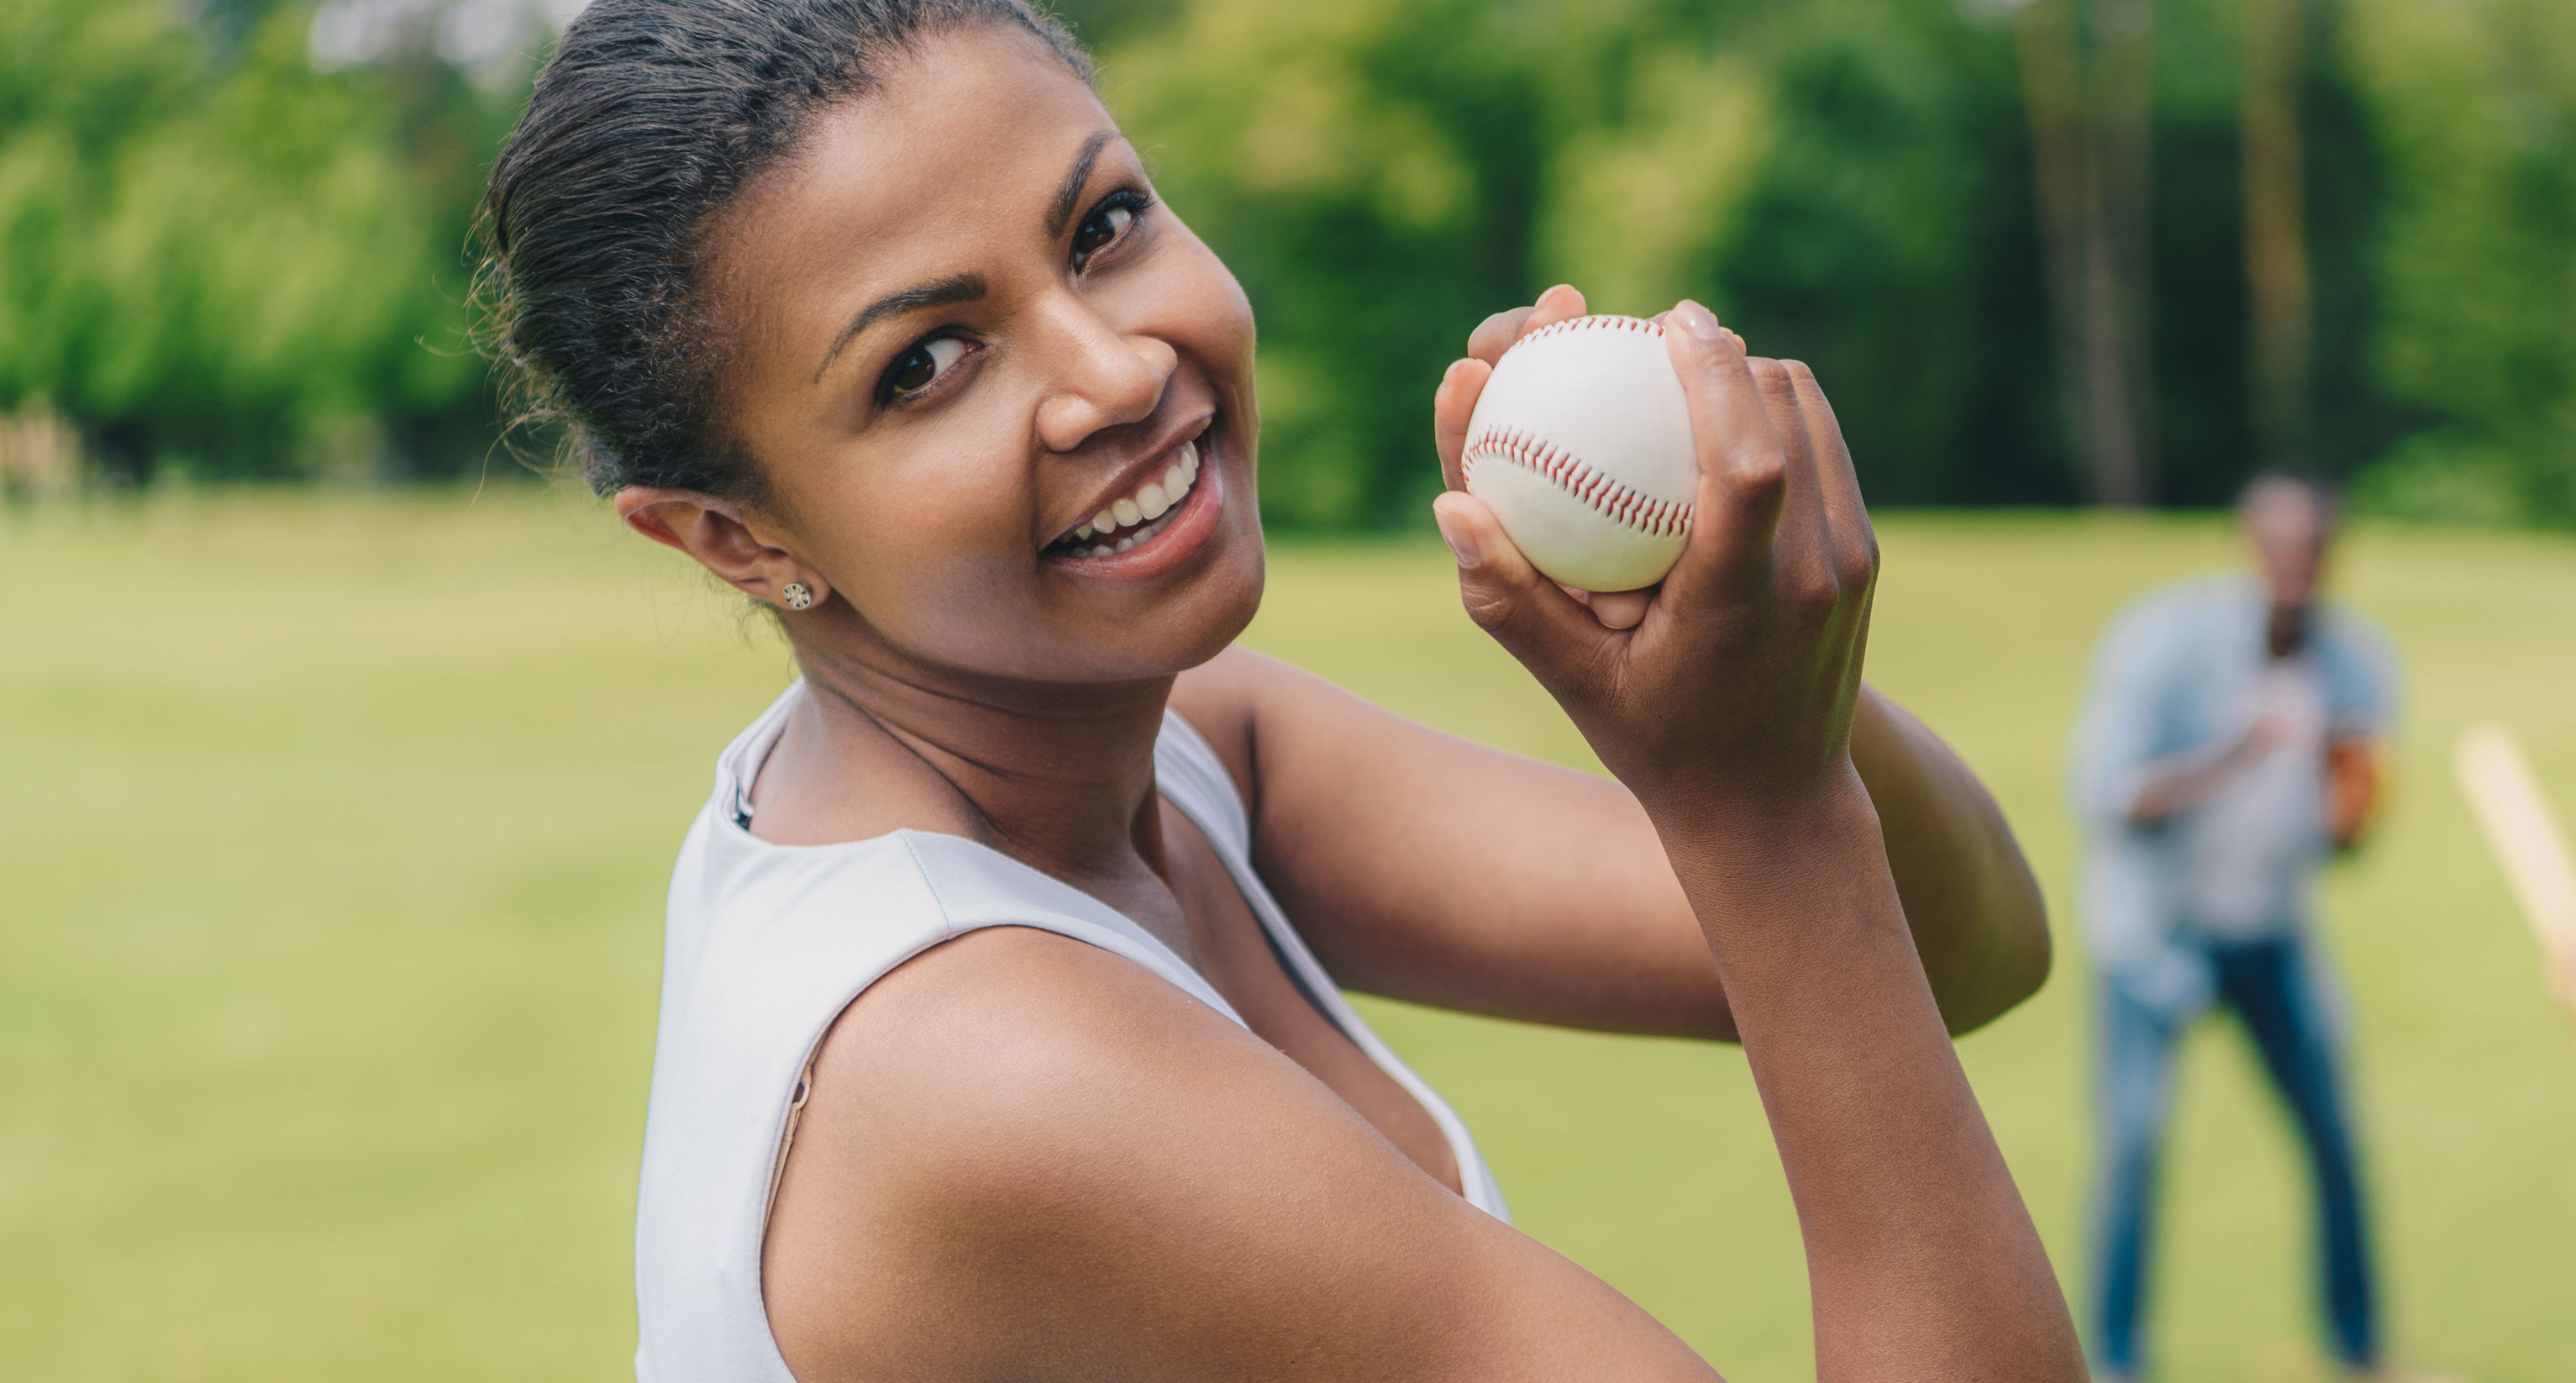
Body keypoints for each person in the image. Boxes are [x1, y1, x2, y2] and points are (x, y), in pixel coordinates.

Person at [474, 3, 2086, 1379]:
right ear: (735, 539)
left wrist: (1734, 635)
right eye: (927, 363)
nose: (1113, 370)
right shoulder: (974, 1069)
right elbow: (1846, 901)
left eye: (1101, 228)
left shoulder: (1182, 747)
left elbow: (1969, 941)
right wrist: (1766, 808)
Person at [2067, 472, 2401, 1380]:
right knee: (2133, 1146)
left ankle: (2360, 1347)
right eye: (2280, 550)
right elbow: (2105, 795)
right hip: (2154, 937)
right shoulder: (2163, 639)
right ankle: (2116, 1361)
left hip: (2270, 933)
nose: (2296, 570)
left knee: (2334, 1134)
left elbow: (2347, 836)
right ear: (2249, 547)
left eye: (2315, 553)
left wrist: (2353, 816)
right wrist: (2235, 753)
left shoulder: (2356, 662)